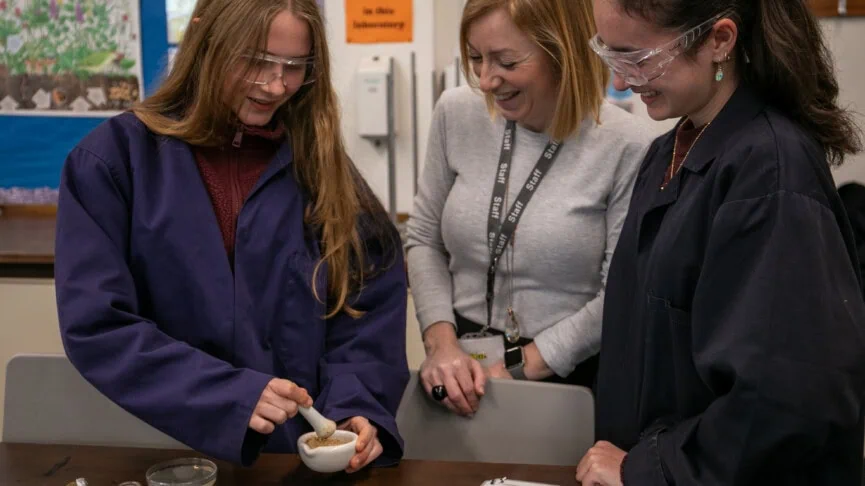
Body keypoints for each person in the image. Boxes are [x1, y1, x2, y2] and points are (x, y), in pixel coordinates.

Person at [54, 0, 409, 471]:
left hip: (294, 464)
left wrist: (355, 409)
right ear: (203, 38)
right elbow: (99, 326)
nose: (276, 85)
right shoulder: (113, 163)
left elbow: (365, 310)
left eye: (294, 66)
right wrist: (231, 396)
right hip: (159, 456)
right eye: (256, 61)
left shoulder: (323, 171)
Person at [576, 0, 865, 484]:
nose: (623, 82)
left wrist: (649, 468)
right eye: (612, 58)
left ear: (720, 40)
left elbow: (786, 400)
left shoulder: (769, 169)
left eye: (640, 59)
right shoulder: (665, 155)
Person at [405, 0, 654, 417]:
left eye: (505, 61)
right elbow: (423, 239)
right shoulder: (456, 113)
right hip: (458, 367)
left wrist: (517, 369)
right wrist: (440, 344)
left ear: (563, 52)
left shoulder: (628, 146)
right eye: (474, 58)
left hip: (568, 376)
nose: (486, 81)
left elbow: (619, 295)